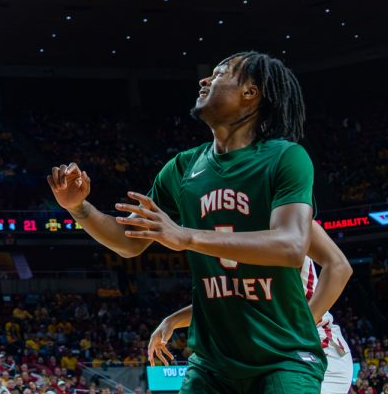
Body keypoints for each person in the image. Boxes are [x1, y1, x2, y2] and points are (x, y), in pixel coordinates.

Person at [48, 51, 325, 394]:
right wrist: (79, 209)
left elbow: (291, 246)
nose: (204, 80)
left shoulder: (286, 157)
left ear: (250, 93)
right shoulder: (182, 168)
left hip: (283, 356)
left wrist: (186, 237)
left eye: (220, 73)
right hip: (211, 363)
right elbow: (129, 242)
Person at [149, 221, 355, 394]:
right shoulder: (217, 232)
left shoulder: (285, 213)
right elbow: (226, 301)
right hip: (259, 351)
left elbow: (339, 267)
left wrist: (297, 332)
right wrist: (172, 320)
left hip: (316, 348)